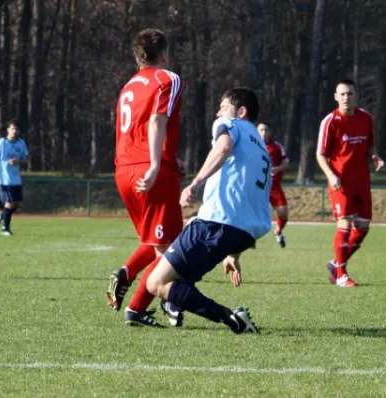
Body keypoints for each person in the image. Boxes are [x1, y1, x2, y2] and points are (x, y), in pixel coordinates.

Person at [146, 87, 270, 334]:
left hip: (216, 224)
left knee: (156, 282)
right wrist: (234, 252)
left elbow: (223, 147)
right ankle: (175, 305)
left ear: (241, 112)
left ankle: (232, 319)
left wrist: (195, 183)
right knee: (178, 280)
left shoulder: (229, 124)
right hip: (244, 233)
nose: (218, 112)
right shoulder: (261, 146)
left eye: (223, 106)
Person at [106, 28, 185, 327]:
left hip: (123, 169)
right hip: (148, 169)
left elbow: (136, 130)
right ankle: (164, 304)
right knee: (172, 249)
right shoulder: (167, 78)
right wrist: (155, 164)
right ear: (163, 53)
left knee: (157, 241)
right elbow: (156, 120)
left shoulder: (128, 86)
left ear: (137, 56)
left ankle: (126, 275)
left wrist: (168, 158)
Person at [316, 79, 384, 288]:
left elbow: (370, 145)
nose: (346, 98)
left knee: (363, 227)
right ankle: (341, 275)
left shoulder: (366, 118)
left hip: (362, 180)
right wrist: (331, 175)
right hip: (340, 182)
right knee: (344, 223)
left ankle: (336, 263)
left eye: (350, 94)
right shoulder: (331, 121)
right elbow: (320, 155)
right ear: (336, 97)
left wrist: (375, 157)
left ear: (356, 96)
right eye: (342, 94)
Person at [0, 118, 29, 236]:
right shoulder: (1, 143)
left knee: (18, 204)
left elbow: (26, 160)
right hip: (4, 179)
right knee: (9, 203)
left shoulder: (21, 143)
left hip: (16, 179)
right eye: (13, 129)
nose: (14, 131)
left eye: (17, 129)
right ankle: (5, 229)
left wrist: (18, 161)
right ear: (8, 130)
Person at [257, 122, 289, 247]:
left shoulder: (276, 146)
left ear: (269, 132)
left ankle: (278, 231)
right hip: (258, 187)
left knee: (283, 211)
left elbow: (286, 161)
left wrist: (278, 168)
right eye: (261, 130)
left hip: (274, 186)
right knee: (253, 213)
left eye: (266, 130)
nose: (264, 133)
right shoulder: (252, 145)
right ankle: (248, 238)